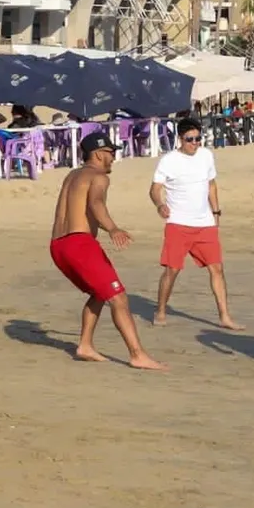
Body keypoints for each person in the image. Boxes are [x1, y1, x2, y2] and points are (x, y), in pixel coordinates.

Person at [48, 132, 166, 370]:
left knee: (99, 292)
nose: (113, 158)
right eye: (111, 153)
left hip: (57, 245)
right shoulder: (98, 176)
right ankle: (137, 354)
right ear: (99, 153)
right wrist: (112, 228)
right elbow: (96, 203)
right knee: (118, 297)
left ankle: (85, 345)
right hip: (78, 243)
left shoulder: (73, 175)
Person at [149, 118, 242, 330]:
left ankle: (225, 316)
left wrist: (216, 211)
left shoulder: (206, 156)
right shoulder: (169, 160)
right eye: (190, 139)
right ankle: (161, 309)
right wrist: (159, 205)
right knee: (172, 270)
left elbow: (211, 184)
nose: (195, 143)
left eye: (198, 139)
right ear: (180, 139)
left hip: (205, 223)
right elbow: (154, 189)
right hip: (178, 223)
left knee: (217, 269)